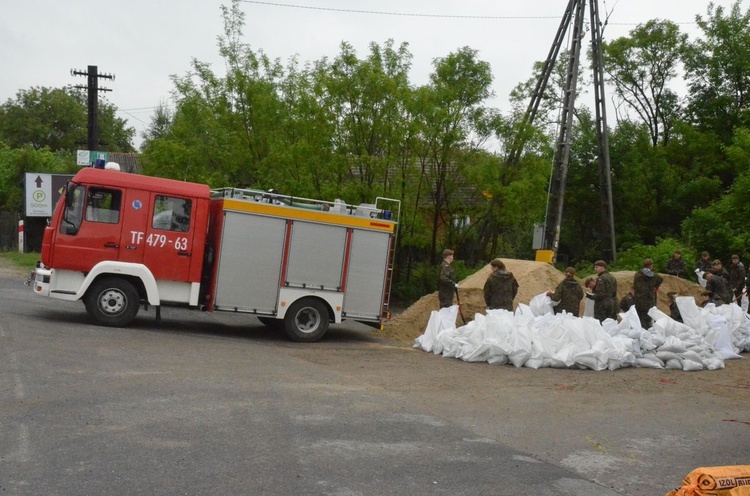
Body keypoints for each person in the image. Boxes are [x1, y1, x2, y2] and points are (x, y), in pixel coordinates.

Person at [633, 258, 663, 329]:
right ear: (651, 266)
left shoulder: (637, 274)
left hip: (639, 300)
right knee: (648, 320)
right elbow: (660, 280)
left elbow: (635, 285)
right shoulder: (654, 276)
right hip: (649, 300)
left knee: (640, 319)